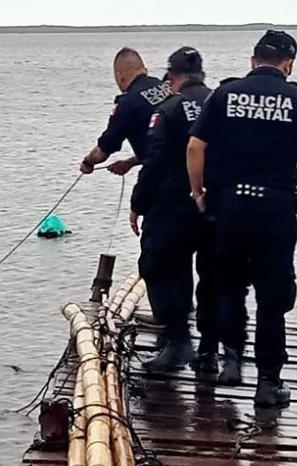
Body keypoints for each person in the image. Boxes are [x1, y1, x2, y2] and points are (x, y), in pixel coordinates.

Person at [186, 30, 297, 407]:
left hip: (231, 208)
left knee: (230, 286)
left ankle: (232, 361)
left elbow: (194, 146)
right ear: (288, 64)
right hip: (276, 210)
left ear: (253, 60)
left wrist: (198, 191)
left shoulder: (224, 94)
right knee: (273, 297)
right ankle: (269, 383)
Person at [130, 47, 214, 372]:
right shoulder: (219, 102)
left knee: (158, 266)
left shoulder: (168, 109)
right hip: (214, 203)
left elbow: (155, 162)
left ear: (173, 77)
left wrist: (138, 204)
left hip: (174, 205)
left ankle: (178, 341)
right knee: (212, 275)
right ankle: (210, 352)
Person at [80, 48, 171, 176]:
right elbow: (165, 145)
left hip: (162, 175)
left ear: (119, 76)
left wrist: (88, 163)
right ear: (144, 70)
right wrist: (130, 163)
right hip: (191, 166)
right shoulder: (166, 87)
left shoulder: (128, 104)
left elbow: (102, 151)